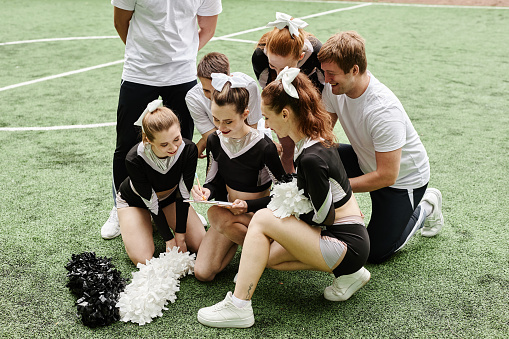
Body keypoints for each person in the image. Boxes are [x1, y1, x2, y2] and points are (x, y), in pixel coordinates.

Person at [197, 68, 370, 328]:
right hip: (349, 237)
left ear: (286, 114)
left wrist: (280, 210)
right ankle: (349, 274)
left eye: (267, 117)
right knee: (267, 256)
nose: (266, 124)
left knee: (264, 219)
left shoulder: (310, 156)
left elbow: (324, 216)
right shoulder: (312, 142)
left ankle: (240, 305)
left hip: (346, 243)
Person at [317, 31, 444, 266]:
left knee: (374, 253)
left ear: (354, 70)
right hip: (364, 160)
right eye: (324, 72)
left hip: (401, 182)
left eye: (331, 73)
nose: (325, 79)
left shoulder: (383, 111)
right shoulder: (334, 88)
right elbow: (324, 135)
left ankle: (426, 205)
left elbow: (387, 175)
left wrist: (335, 189)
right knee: (318, 157)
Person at [101, 0, 222, 240]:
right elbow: (120, 21)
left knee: (182, 145)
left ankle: (181, 204)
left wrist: (182, 54)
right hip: (139, 72)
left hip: (182, 74)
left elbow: (207, 27)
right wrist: (146, 55)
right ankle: (120, 206)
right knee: (126, 144)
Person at [190, 73, 286, 282]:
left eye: (228, 121)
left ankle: (263, 254)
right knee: (203, 273)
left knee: (216, 215)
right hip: (230, 211)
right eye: (216, 119)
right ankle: (256, 249)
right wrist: (207, 191)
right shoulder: (215, 140)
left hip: (258, 214)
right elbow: (213, 179)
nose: (221, 127)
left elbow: (283, 193)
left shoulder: (264, 146)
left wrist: (249, 207)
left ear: (245, 114)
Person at [116, 100, 205, 265]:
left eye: (176, 139)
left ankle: (156, 223)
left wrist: (180, 236)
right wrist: (169, 239)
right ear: (148, 141)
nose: (173, 147)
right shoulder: (134, 158)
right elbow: (150, 201)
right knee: (143, 259)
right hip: (135, 201)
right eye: (164, 144)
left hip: (169, 198)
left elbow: (183, 193)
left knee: (200, 243)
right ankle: (136, 220)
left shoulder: (189, 149)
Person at [252, 12, 325, 173]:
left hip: (311, 97)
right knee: (287, 148)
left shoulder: (317, 54)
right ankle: (289, 187)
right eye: (273, 66)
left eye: (286, 68)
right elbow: (271, 93)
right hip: (281, 99)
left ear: (301, 56)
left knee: (312, 145)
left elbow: (323, 95)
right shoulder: (259, 57)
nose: (279, 73)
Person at [185, 52, 264, 159]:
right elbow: (212, 138)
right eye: (206, 90)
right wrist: (205, 140)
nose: (213, 97)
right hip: (221, 144)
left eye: (217, 89)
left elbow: (251, 129)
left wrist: (203, 142)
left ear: (229, 77)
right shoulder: (193, 97)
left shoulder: (248, 86)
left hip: (250, 138)